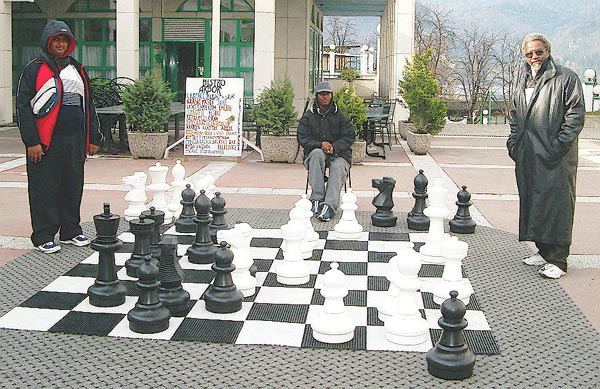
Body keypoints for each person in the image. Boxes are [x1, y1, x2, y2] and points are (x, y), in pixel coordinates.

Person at [16, 20, 102, 254]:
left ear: (70, 43)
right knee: (45, 188)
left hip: (75, 140)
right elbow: (23, 108)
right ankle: (44, 235)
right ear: (47, 41)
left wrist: (93, 137)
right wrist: (31, 141)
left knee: (72, 185)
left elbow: (89, 105)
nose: (60, 44)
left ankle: (70, 230)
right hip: (45, 143)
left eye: (64, 40)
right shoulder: (34, 69)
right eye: (56, 39)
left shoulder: (78, 69)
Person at [507, 33, 585, 279]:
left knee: (557, 205)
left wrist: (557, 147)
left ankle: (558, 260)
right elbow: (516, 115)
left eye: (538, 52)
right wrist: (514, 144)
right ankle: (543, 250)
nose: (534, 57)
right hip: (528, 154)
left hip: (555, 155)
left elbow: (575, 117)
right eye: (529, 53)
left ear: (548, 51)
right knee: (535, 201)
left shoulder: (566, 78)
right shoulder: (524, 80)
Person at [297, 81, 355, 221]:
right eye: (322, 94)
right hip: (316, 153)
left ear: (331, 95)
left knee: (337, 166)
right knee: (316, 154)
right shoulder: (308, 116)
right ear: (317, 96)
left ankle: (329, 205)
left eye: (327, 94)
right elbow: (302, 137)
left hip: (339, 154)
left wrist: (334, 147)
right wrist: (320, 144)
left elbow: (349, 136)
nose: (325, 97)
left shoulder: (340, 116)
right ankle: (316, 198)